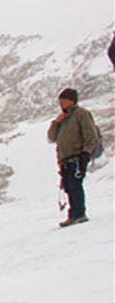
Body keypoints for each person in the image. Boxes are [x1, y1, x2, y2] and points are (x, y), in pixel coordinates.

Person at [47, 88, 99, 227]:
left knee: (75, 185)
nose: (61, 103)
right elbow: (51, 137)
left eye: (63, 100)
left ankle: (79, 214)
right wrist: (56, 122)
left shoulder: (81, 114)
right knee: (69, 187)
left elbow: (90, 135)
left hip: (77, 156)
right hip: (65, 158)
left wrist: (86, 152)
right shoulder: (64, 118)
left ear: (72, 100)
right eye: (60, 101)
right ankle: (73, 214)